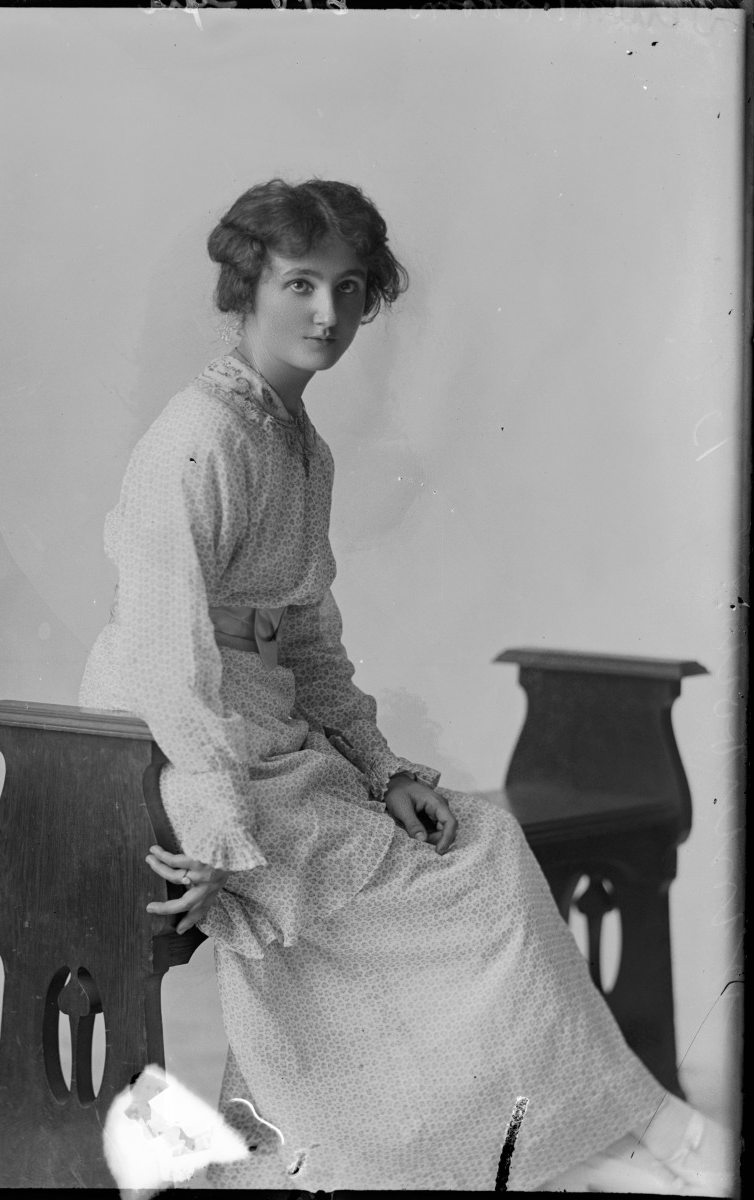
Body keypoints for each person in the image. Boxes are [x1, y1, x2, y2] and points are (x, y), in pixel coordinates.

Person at [79, 178, 736, 1194]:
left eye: (347, 288)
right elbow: (170, 655)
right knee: (454, 882)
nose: (327, 314)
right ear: (244, 290)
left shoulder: (299, 447)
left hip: (269, 731)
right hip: (167, 739)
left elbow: (310, 643)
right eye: (298, 283)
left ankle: (542, 1133)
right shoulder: (196, 439)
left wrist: (381, 770)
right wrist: (212, 817)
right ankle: (604, 1136)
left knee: (475, 840)